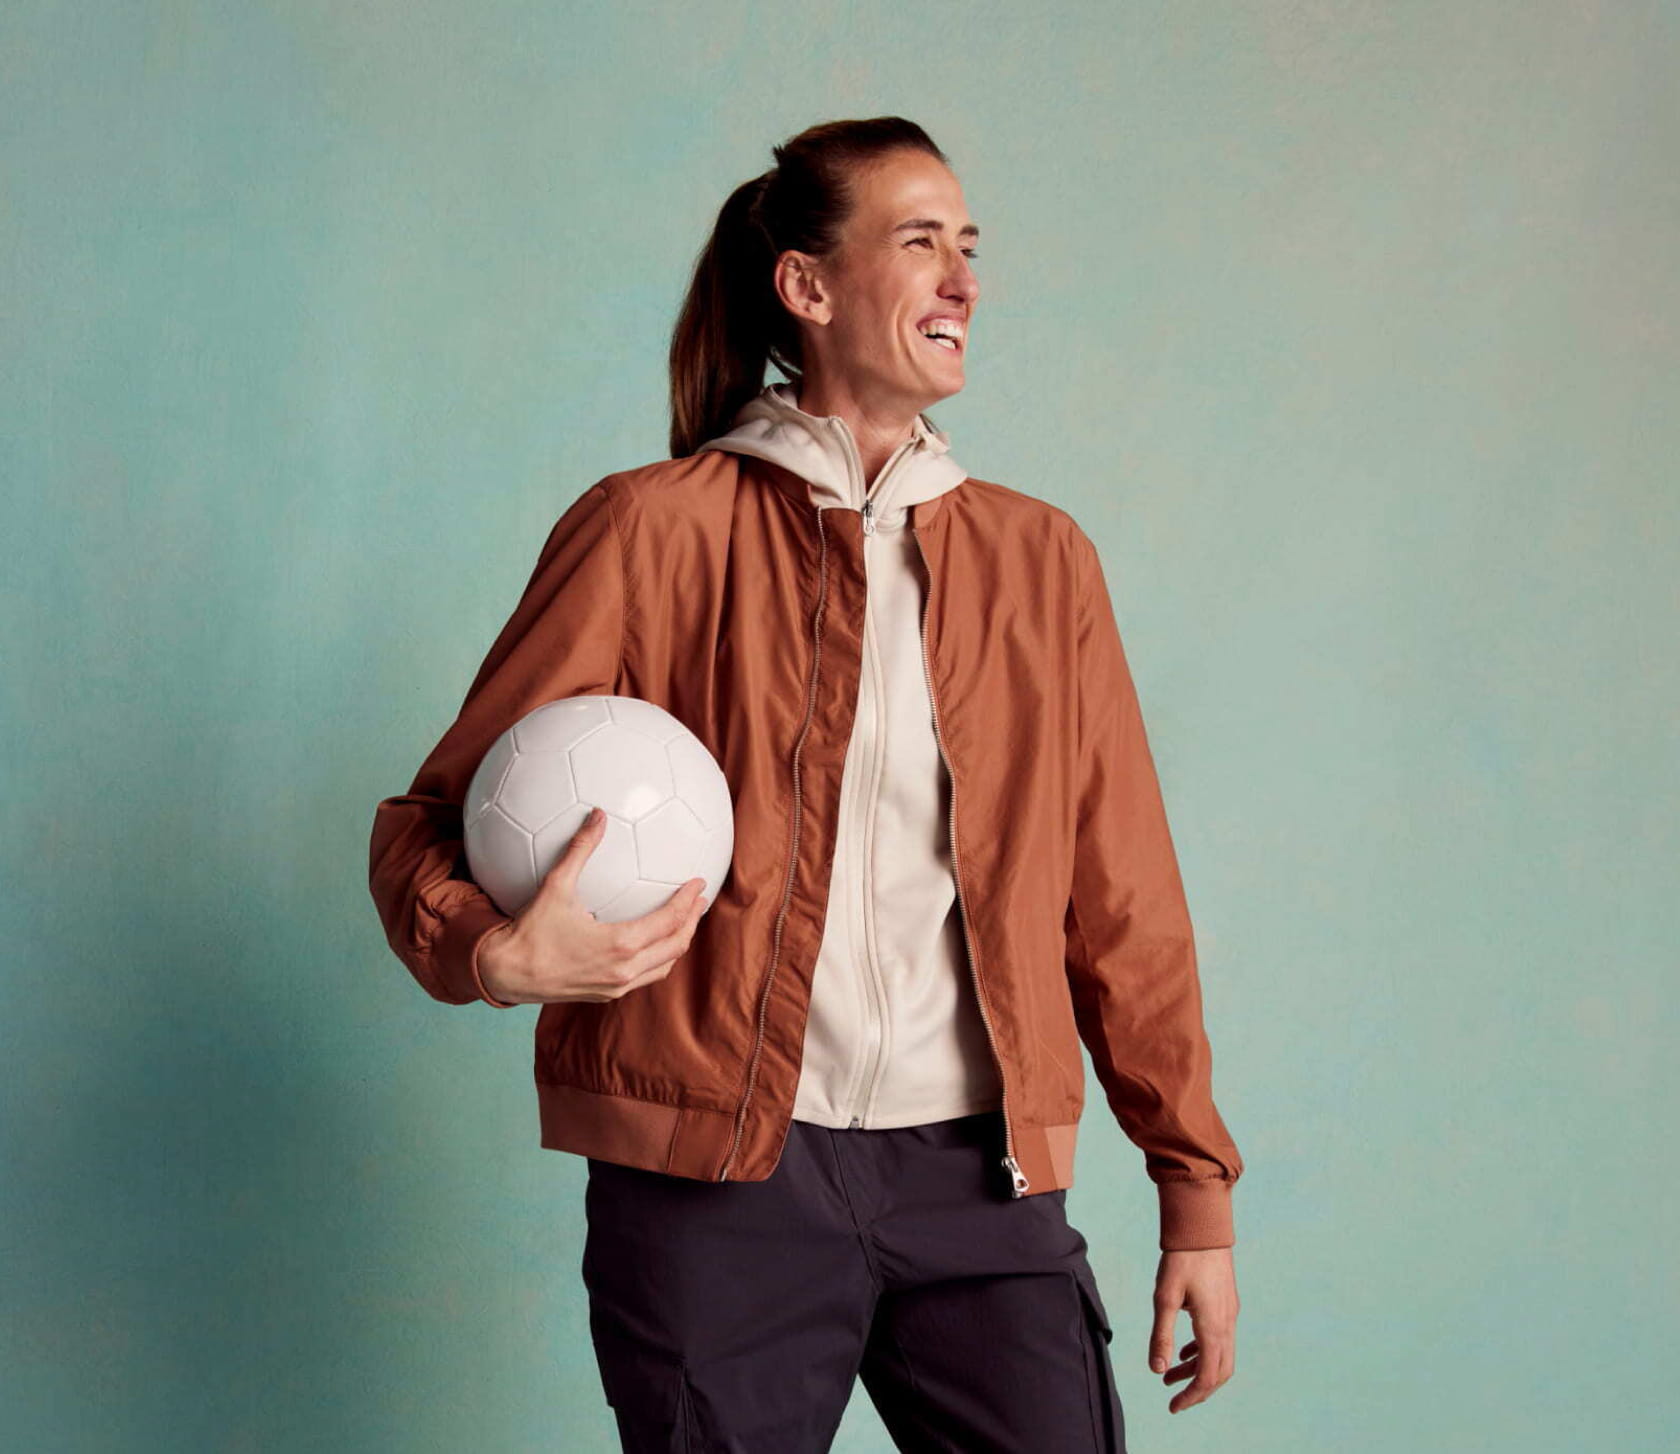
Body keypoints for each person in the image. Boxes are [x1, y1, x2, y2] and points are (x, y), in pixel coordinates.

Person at [368, 116, 1244, 1452]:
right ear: (807, 286)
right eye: (919, 242)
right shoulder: (650, 530)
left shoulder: (1041, 561)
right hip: (716, 1187)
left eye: (968, 246)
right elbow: (428, 824)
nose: (962, 278)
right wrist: (494, 952)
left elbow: (1120, 895)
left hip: (978, 1176)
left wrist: (1194, 1187)